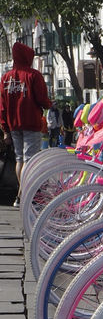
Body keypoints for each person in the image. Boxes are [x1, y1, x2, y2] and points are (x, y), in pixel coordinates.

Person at [0, 42, 53, 204]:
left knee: (19, 159)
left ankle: (21, 194)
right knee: (30, 159)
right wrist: (49, 105)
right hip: (31, 122)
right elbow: (42, 99)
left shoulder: (6, 78)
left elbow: (1, 106)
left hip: (13, 123)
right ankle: (24, 195)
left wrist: (5, 129)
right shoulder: (33, 75)